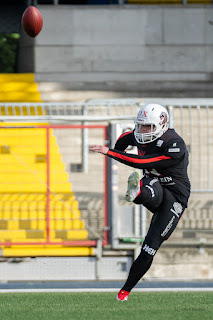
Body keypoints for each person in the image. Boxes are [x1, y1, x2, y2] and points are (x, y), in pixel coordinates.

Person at [89, 103, 191, 301]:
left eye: (148, 127)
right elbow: (122, 141)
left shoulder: (174, 143)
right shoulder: (138, 134)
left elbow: (142, 162)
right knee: (149, 187)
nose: (143, 131)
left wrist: (110, 152)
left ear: (162, 124)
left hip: (176, 196)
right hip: (154, 186)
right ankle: (137, 192)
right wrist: (116, 150)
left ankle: (124, 292)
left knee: (149, 248)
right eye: (141, 125)